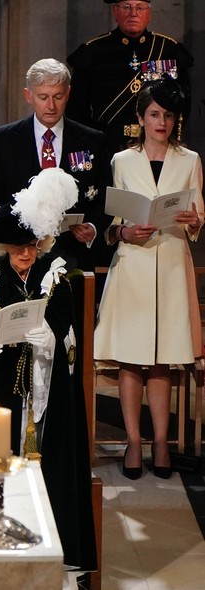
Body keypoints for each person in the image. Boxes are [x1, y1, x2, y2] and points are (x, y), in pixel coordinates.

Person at [0, 168, 96, 574]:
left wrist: (48, 340)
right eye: (17, 248)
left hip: (40, 396)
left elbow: (68, 338)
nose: (25, 256)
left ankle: (43, 545)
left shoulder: (54, 277)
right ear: (1, 246)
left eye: (32, 247)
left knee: (44, 466)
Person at [94, 76, 203, 480]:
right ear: (140, 118)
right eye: (154, 114)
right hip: (134, 264)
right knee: (132, 358)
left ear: (176, 120)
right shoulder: (122, 161)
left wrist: (194, 220)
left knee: (163, 360)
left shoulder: (189, 160)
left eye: (168, 115)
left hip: (172, 263)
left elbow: (198, 214)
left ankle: (161, 443)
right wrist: (124, 231)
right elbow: (112, 220)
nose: (161, 122)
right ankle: (134, 443)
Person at [0, 58, 112, 271]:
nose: (51, 106)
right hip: (20, 253)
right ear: (29, 95)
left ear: (68, 94)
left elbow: (106, 195)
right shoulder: (6, 138)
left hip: (74, 254)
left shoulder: (92, 140)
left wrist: (92, 227)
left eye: (58, 96)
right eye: (43, 97)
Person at [67, 0, 193, 153]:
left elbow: (183, 105)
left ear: (149, 14)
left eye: (140, 7)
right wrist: (91, 145)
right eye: (126, 7)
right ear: (115, 12)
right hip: (106, 147)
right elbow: (76, 110)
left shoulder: (168, 50)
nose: (133, 13)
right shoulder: (93, 51)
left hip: (155, 146)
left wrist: (169, 139)